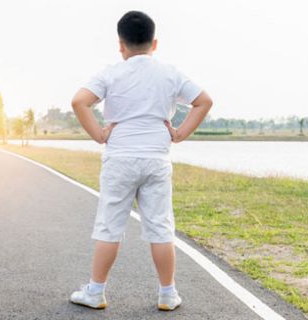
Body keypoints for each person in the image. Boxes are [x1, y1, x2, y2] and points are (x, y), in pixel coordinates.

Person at [69, 10, 213, 311]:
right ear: (154, 43)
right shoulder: (170, 73)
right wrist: (179, 133)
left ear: (121, 45)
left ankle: (95, 292)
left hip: (120, 158)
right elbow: (204, 101)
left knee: (109, 226)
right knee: (161, 227)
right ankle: (167, 294)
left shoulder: (110, 72)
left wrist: (99, 134)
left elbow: (79, 101)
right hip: (156, 160)